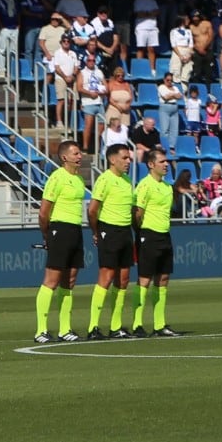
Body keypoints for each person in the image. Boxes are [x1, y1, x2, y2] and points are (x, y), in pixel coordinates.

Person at [35, 140, 89, 343]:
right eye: (75, 153)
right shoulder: (57, 178)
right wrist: (47, 234)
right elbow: (43, 212)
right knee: (51, 280)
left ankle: (64, 329)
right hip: (59, 228)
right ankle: (41, 330)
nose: (79, 156)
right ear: (64, 157)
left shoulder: (79, 180)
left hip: (75, 230)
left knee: (70, 281)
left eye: (80, 153)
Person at [87, 143, 137, 339]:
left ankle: (116, 327)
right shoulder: (104, 180)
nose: (128, 161)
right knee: (106, 278)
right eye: (124, 158)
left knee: (123, 280)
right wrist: (97, 231)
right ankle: (93, 327)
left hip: (125, 232)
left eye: (129, 158)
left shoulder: (126, 181)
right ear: (112, 159)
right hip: (108, 229)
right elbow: (92, 210)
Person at [131, 148, 182, 336]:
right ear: (151, 165)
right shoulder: (144, 185)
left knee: (163, 279)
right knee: (144, 278)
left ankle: (159, 325)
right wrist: (141, 233)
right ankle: (137, 324)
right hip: (149, 234)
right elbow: (137, 213)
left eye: (166, 161)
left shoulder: (167, 187)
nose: (166, 164)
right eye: (161, 161)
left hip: (164, 234)